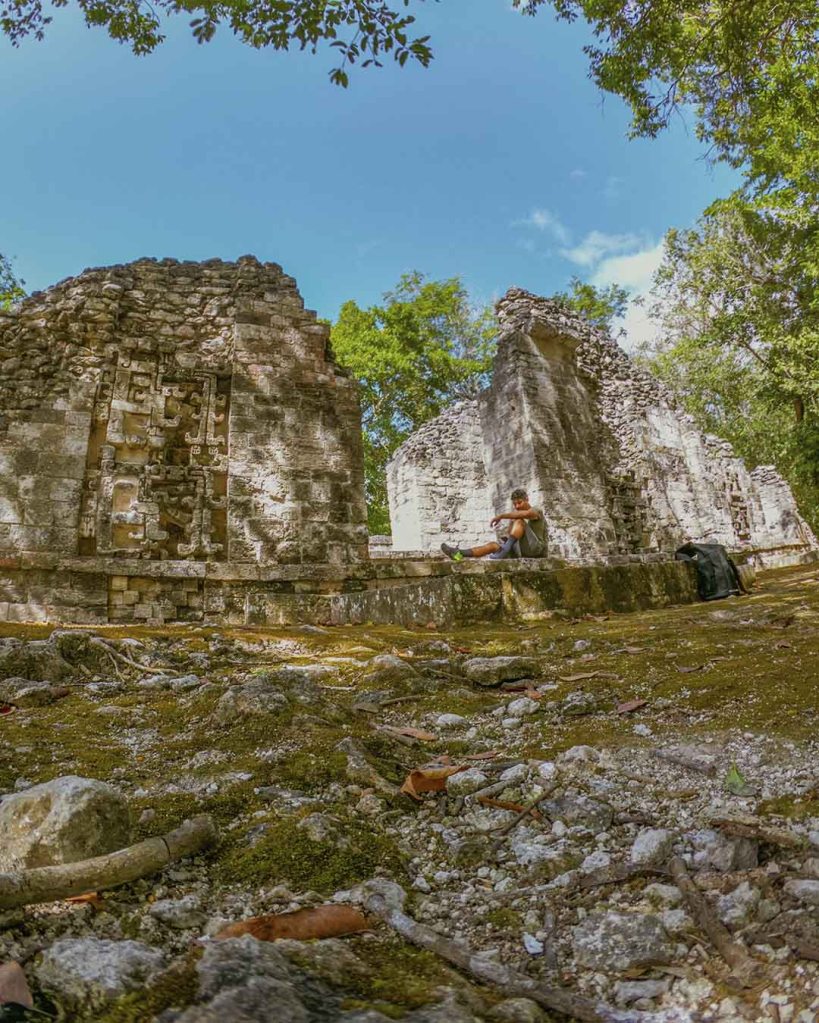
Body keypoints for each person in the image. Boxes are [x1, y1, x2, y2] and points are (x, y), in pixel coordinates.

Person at [441, 488, 547, 561]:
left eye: (519, 502)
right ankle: (458, 553)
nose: (517, 506)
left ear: (527, 499)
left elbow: (527, 514)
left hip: (536, 550)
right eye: (515, 504)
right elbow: (510, 536)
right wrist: (511, 525)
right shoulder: (516, 517)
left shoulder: (536, 510)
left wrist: (501, 516)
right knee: (493, 545)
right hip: (521, 551)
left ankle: (502, 553)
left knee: (519, 520)